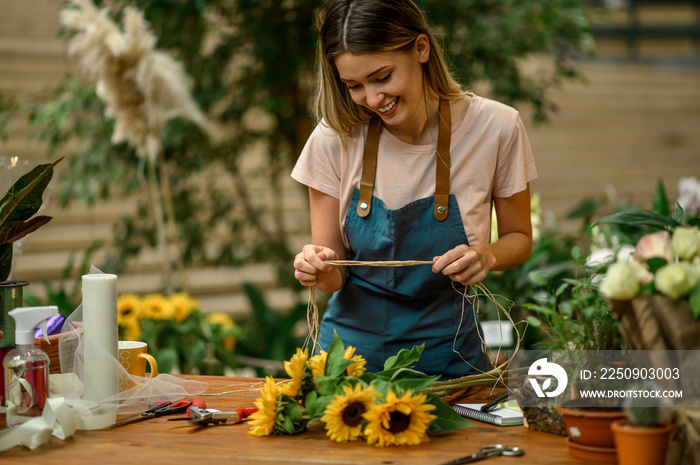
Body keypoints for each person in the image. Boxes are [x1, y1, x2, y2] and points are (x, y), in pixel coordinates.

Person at [292, 0, 537, 380]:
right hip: (347, 363)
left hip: (451, 356)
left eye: (383, 77)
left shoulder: (497, 127)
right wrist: (317, 266)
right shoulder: (333, 137)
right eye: (354, 86)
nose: (373, 100)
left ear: (421, 49)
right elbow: (333, 276)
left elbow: (519, 237)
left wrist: (486, 256)